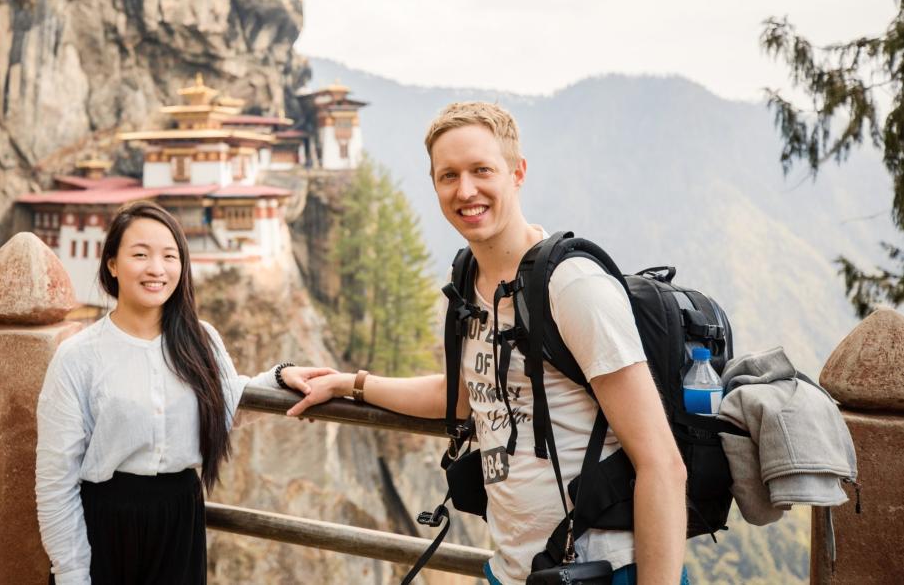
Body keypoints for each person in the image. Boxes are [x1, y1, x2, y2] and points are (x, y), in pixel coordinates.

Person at [286, 102, 689, 585]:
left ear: (517, 173)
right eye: (448, 175)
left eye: (482, 170)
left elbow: (661, 462)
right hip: (515, 570)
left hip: (604, 569)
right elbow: (461, 396)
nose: (466, 190)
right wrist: (350, 384)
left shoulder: (572, 287)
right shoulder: (465, 285)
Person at [34, 200, 330, 585]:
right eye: (140, 254)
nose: (156, 269)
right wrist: (72, 573)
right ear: (112, 264)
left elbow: (226, 404)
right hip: (106, 521)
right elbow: (56, 480)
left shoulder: (199, 339)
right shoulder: (78, 357)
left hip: (180, 518)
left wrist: (279, 377)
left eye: (169, 256)